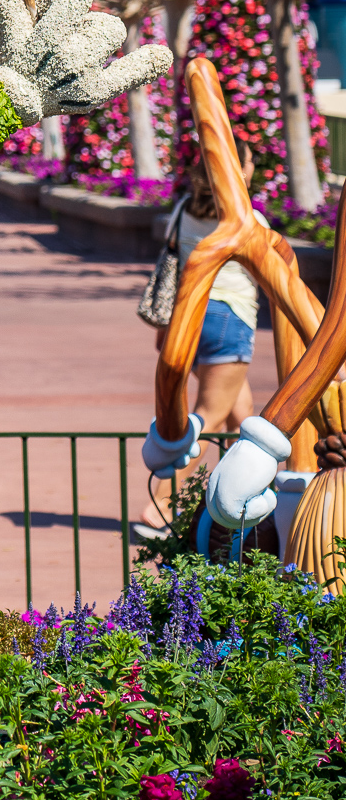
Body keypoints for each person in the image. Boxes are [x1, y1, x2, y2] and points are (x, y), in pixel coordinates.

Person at [137, 134, 266, 535]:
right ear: (238, 170)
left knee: (240, 415)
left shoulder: (183, 210)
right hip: (230, 317)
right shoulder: (249, 220)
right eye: (250, 163)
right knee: (209, 417)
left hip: (188, 319)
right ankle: (160, 505)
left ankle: (238, 508)